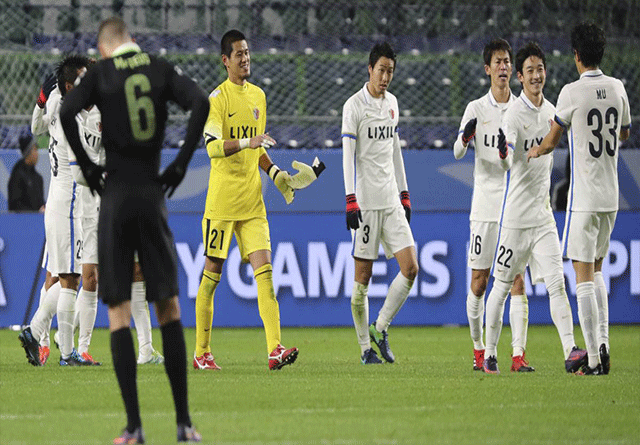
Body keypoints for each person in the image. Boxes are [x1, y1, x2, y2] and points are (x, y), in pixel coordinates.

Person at [59, 16, 208, 443]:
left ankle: (135, 427)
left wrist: (88, 168)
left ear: (104, 48)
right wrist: (179, 164)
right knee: (169, 307)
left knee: (119, 310)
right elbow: (201, 103)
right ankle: (183, 423)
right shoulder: (158, 67)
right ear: (132, 42)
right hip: (152, 191)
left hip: (116, 196)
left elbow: (68, 110)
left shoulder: (102, 73)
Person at [195, 29, 303, 371]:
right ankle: (201, 353)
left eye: (248, 53)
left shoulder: (258, 96)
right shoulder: (217, 99)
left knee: (266, 274)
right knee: (211, 276)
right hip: (222, 204)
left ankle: (275, 349)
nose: (246, 59)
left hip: (253, 203)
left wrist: (277, 175)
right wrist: (247, 142)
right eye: (239, 54)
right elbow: (212, 147)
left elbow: (260, 150)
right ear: (225, 60)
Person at [528, 22, 631, 375]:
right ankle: (603, 346)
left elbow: (553, 138)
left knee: (582, 274)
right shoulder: (618, 88)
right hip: (611, 197)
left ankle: (592, 359)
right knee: (598, 270)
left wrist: (536, 149)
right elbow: (625, 130)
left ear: (576, 55)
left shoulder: (572, 92)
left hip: (584, 197)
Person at [483, 42, 588, 374]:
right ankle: (489, 354)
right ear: (520, 76)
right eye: (529, 70)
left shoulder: (553, 112)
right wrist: (504, 152)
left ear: (545, 72)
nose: (536, 75)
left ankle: (571, 350)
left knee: (557, 282)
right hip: (515, 219)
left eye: (540, 69)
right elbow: (506, 151)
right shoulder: (513, 114)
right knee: (501, 285)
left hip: (543, 217)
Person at [452, 39, 531, 372]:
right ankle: (478, 349)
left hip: (513, 203)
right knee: (480, 282)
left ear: (512, 69)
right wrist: (466, 138)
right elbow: (457, 152)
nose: (503, 67)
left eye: (507, 61)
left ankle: (517, 355)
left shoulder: (521, 109)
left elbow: (517, 161)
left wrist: (505, 155)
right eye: (497, 62)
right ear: (488, 69)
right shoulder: (475, 108)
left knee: (516, 280)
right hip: (484, 204)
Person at [341, 42, 418, 365]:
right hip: (366, 204)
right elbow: (347, 154)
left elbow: (395, 149)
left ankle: (380, 326)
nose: (386, 77)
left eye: (391, 71)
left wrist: (404, 191)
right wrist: (350, 199)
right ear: (370, 69)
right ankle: (364, 349)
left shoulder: (393, 104)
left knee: (411, 268)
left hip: (391, 201)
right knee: (362, 281)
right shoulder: (354, 106)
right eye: (381, 70)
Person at [8, 134, 45, 212]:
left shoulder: (38, 177)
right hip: (22, 221)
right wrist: (34, 212)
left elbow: (40, 202)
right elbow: (14, 205)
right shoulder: (17, 176)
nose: (37, 154)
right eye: (35, 150)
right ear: (28, 153)